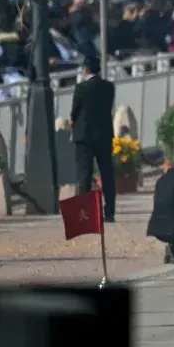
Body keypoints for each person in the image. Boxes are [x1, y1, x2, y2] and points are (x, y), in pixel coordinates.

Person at [70, 55, 117, 222]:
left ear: (85, 69)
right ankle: (109, 212)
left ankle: (85, 214)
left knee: (84, 175)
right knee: (107, 174)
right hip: (104, 134)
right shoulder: (109, 87)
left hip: (84, 135)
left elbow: (74, 112)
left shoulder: (81, 88)